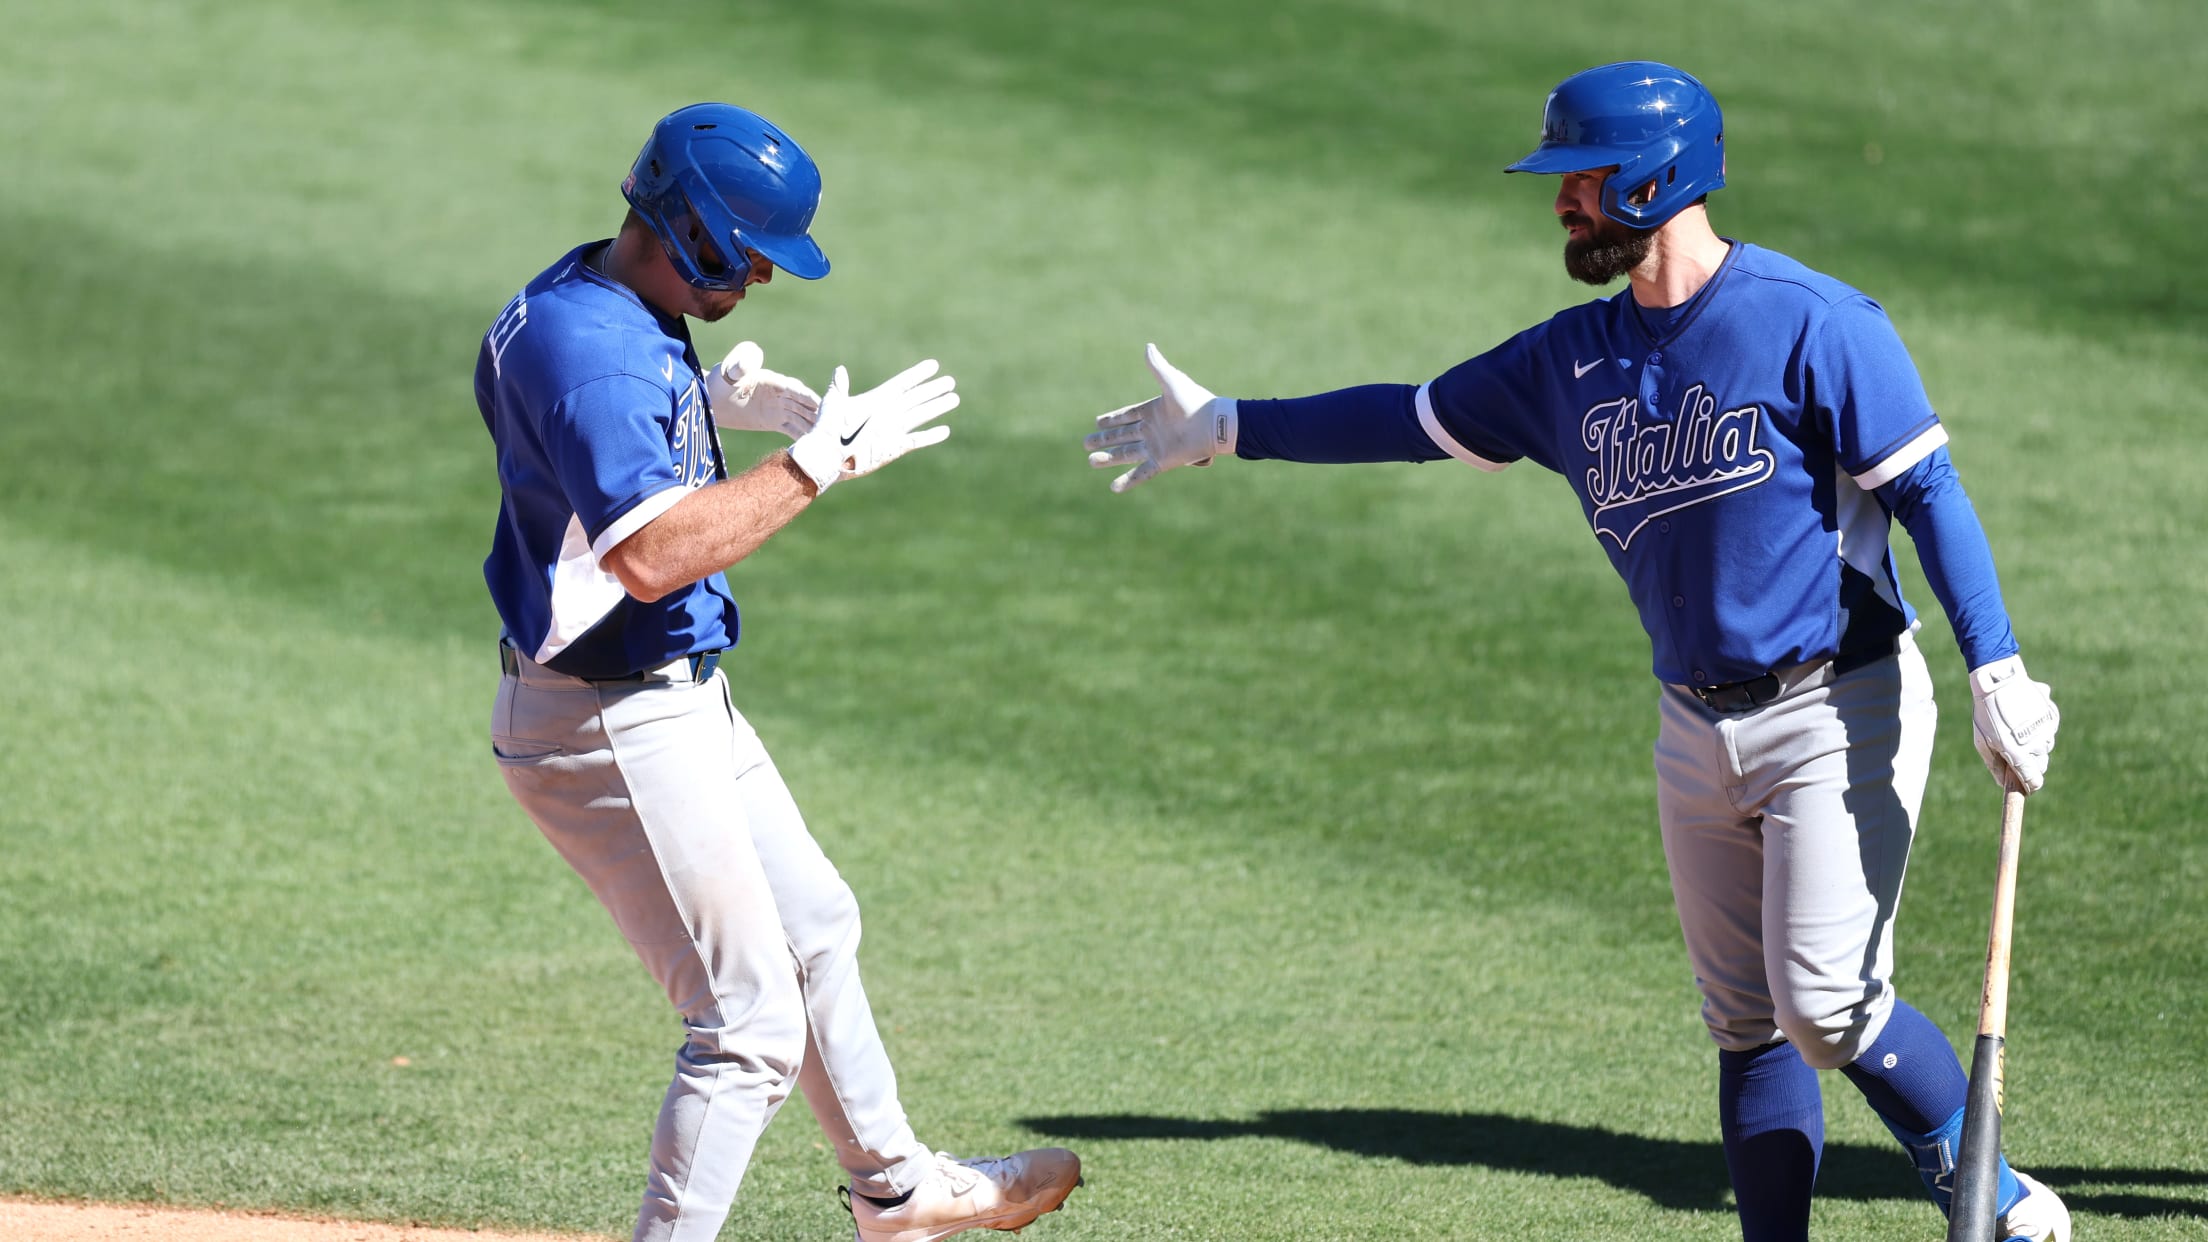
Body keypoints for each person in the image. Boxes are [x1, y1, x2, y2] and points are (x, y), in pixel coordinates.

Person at [1084, 62, 2066, 1242]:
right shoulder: (1569, 363)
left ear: (1656, 178)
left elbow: (1929, 491)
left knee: (1827, 1008)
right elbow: (1408, 417)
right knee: (1745, 1023)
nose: (1560, 203)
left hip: (1836, 701)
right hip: (1693, 725)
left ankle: (2002, 1201)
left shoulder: (1815, 323)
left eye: (1579, 181)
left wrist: (1995, 668)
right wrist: (1234, 429)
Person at [477, 102, 1080, 1242]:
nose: (761, 274)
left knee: (815, 929)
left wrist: (706, 406)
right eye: (750, 250)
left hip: (669, 697)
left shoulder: (592, 295)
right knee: (746, 1024)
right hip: (608, 720)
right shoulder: (595, 352)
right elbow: (650, 556)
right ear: (692, 225)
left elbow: (568, 447)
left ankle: (898, 1192)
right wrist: (814, 465)